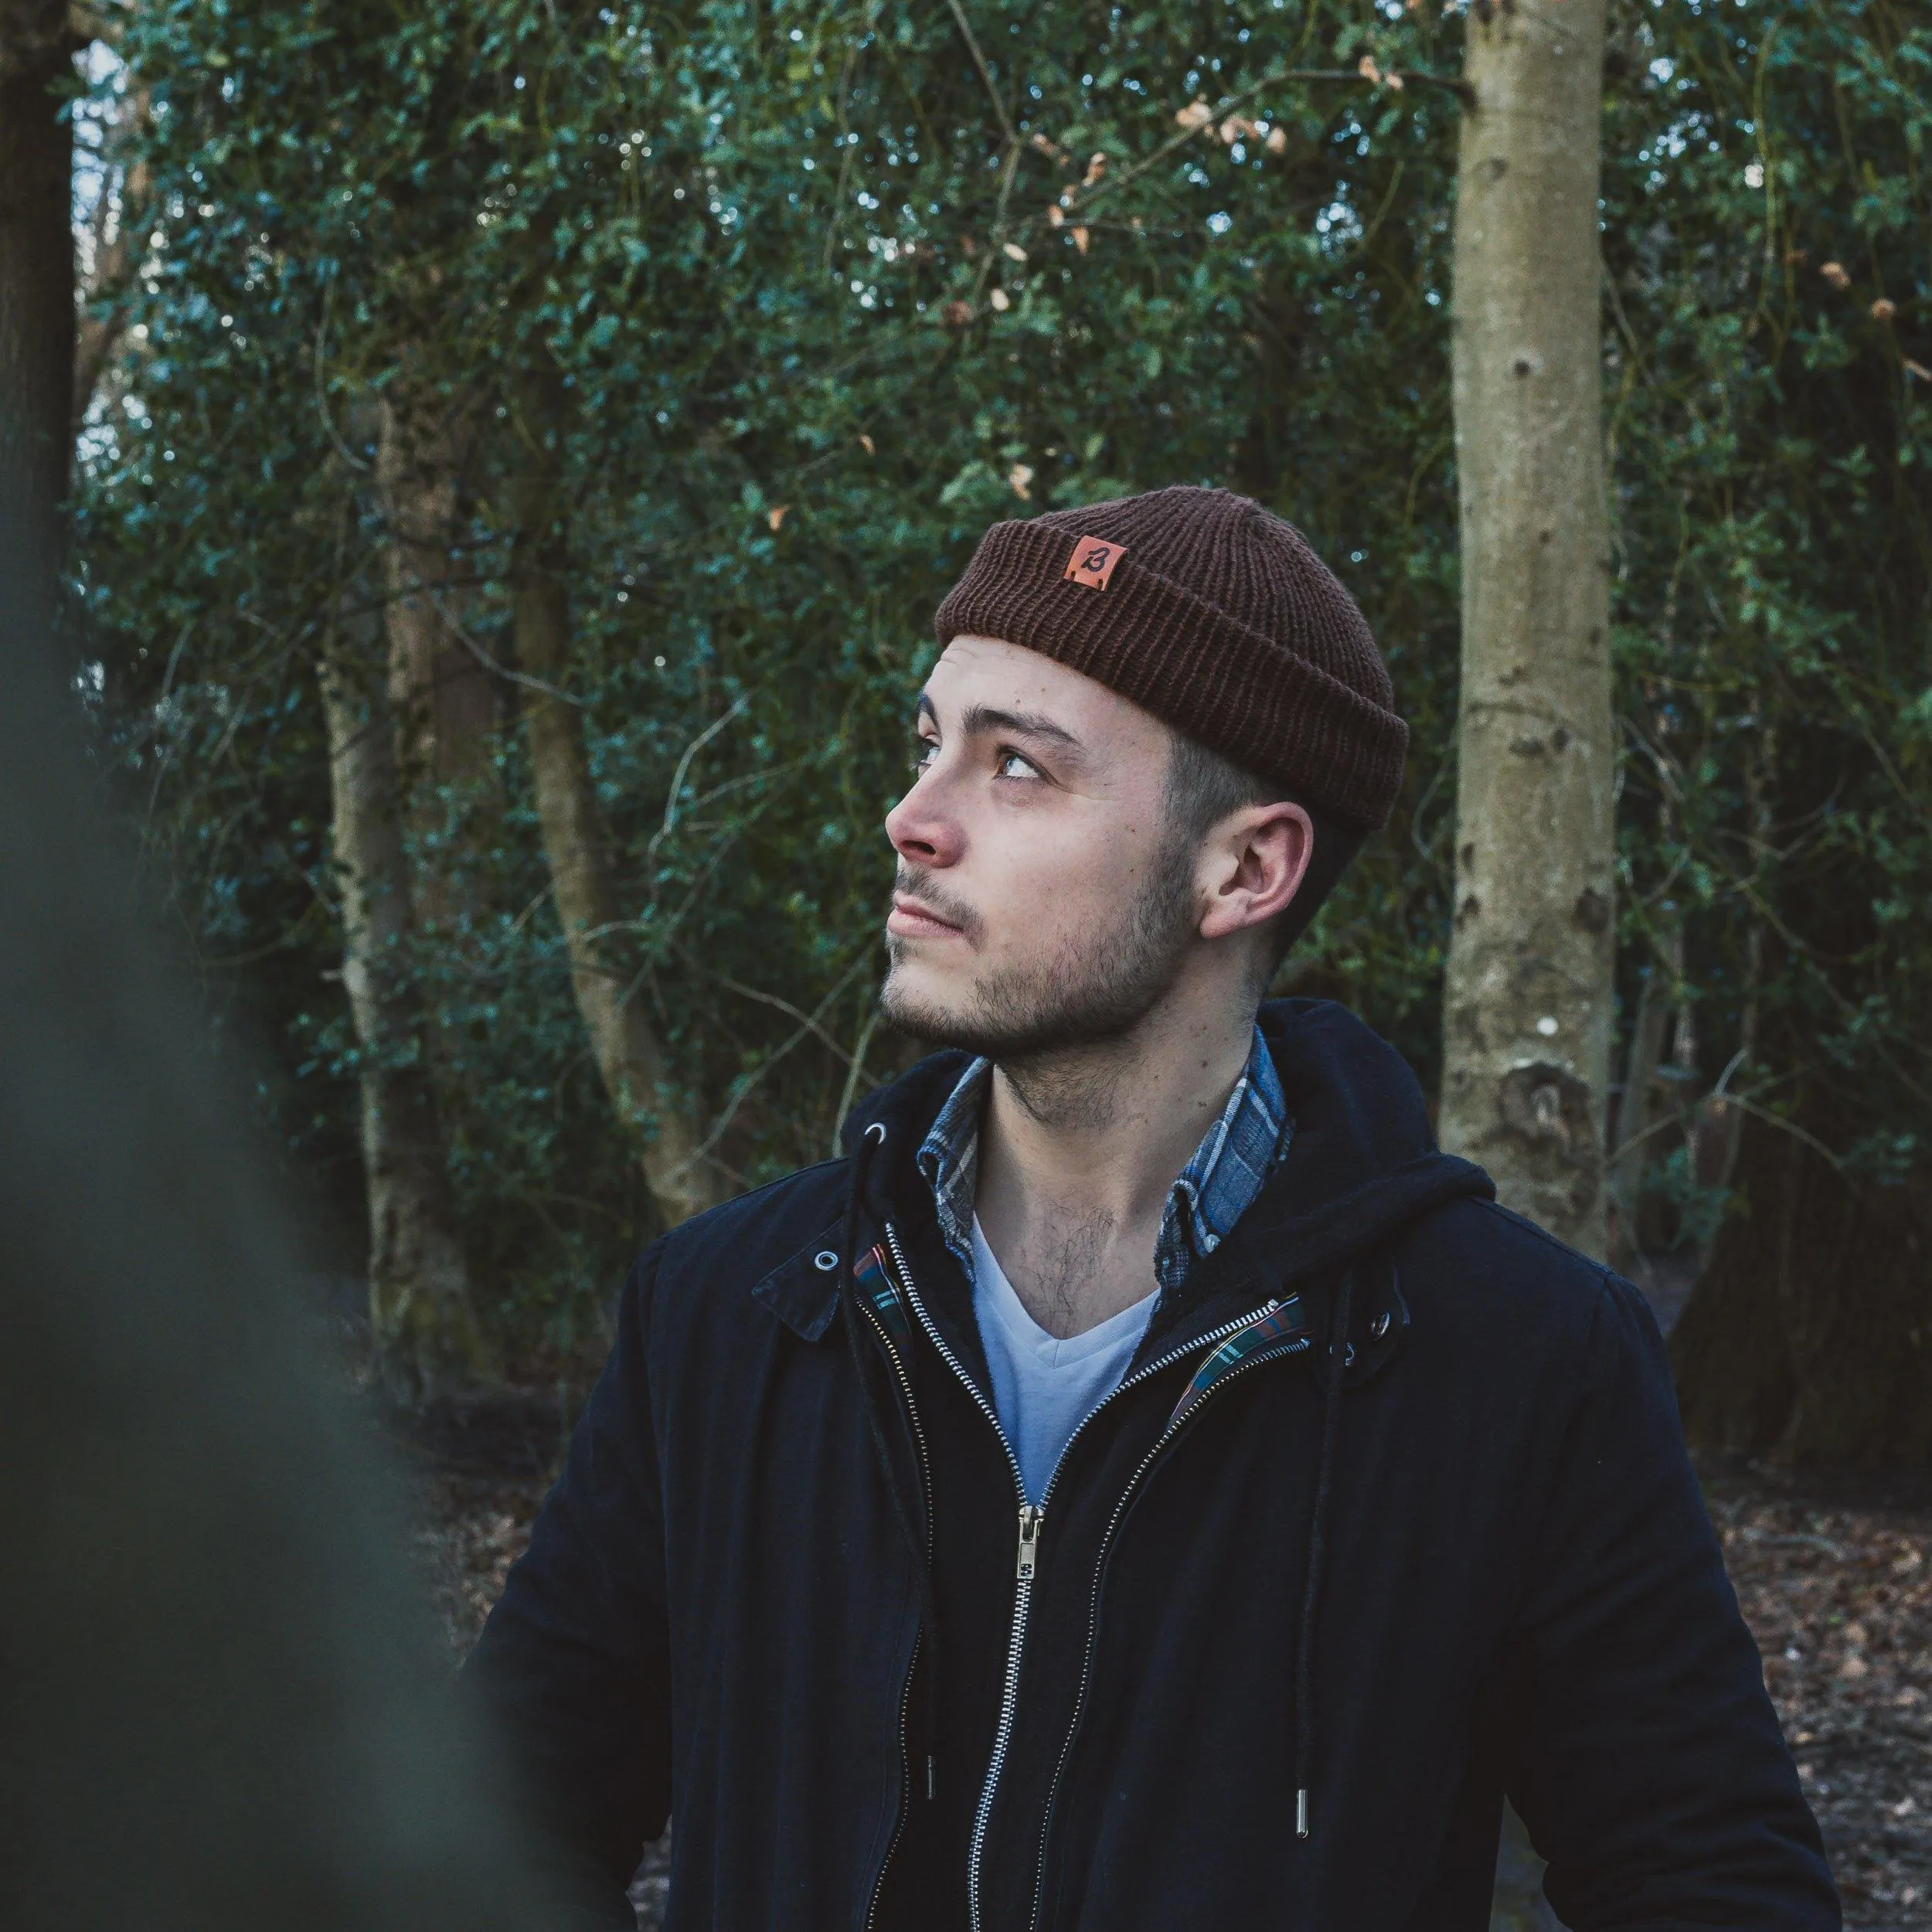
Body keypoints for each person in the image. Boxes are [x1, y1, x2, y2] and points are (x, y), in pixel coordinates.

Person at [465, 487, 1838, 1930]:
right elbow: (490, 1832)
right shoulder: (730, 1309)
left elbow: (1715, 1881)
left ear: (1244, 867)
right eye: (930, 742)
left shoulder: (1519, 1361)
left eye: (1017, 768)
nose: (911, 818)